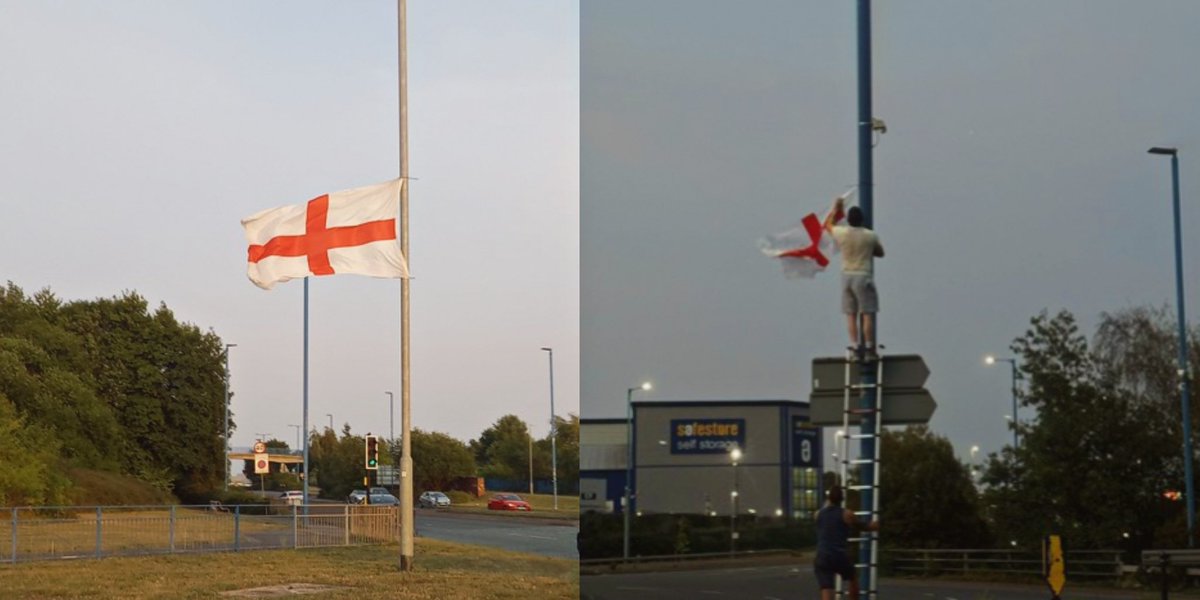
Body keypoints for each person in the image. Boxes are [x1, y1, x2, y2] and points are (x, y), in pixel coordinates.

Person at [824, 195, 884, 361]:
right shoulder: (870, 236)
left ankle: (855, 347)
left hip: (846, 276)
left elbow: (828, 225)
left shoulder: (842, 233)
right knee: (867, 313)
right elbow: (881, 253)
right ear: (862, 220)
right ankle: (870, 348)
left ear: (848, 220)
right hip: (863, 275)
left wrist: (836, 208)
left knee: (850, 314)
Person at [814, 485, 879, 600]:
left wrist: (828, 501)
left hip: (822, 555)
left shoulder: (818, 514)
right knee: (853, 578)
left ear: (828, 498)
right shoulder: (847, 514)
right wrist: (874, 525)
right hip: (838, 554)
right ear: (842, 499)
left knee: (826, 588)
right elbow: (863, 526)